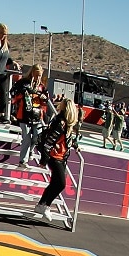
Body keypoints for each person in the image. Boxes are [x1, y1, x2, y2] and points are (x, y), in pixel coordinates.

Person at [33, 95, 79, 227]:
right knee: (61, 184)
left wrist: (75, 145)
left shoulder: (67, 124)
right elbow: (49, 141)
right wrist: (44, 159)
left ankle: (41, 204)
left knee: (54, 183)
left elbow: (67, 139)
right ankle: (46, 205)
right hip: (55, 156)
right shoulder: (61, 122)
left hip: (61, 156)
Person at [11, 65, 48, 166]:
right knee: (26, 138)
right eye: (36, 75)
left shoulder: (41, 86)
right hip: (24, 114)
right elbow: (13, 93)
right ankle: (23, 160)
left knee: (36, 137)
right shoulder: (23, 82)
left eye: (39, 76)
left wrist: (43, 98)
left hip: (37, 115)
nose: (38, 78)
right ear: (32, 73)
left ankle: (31, 151)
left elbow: (46, 101)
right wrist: (23, 93)